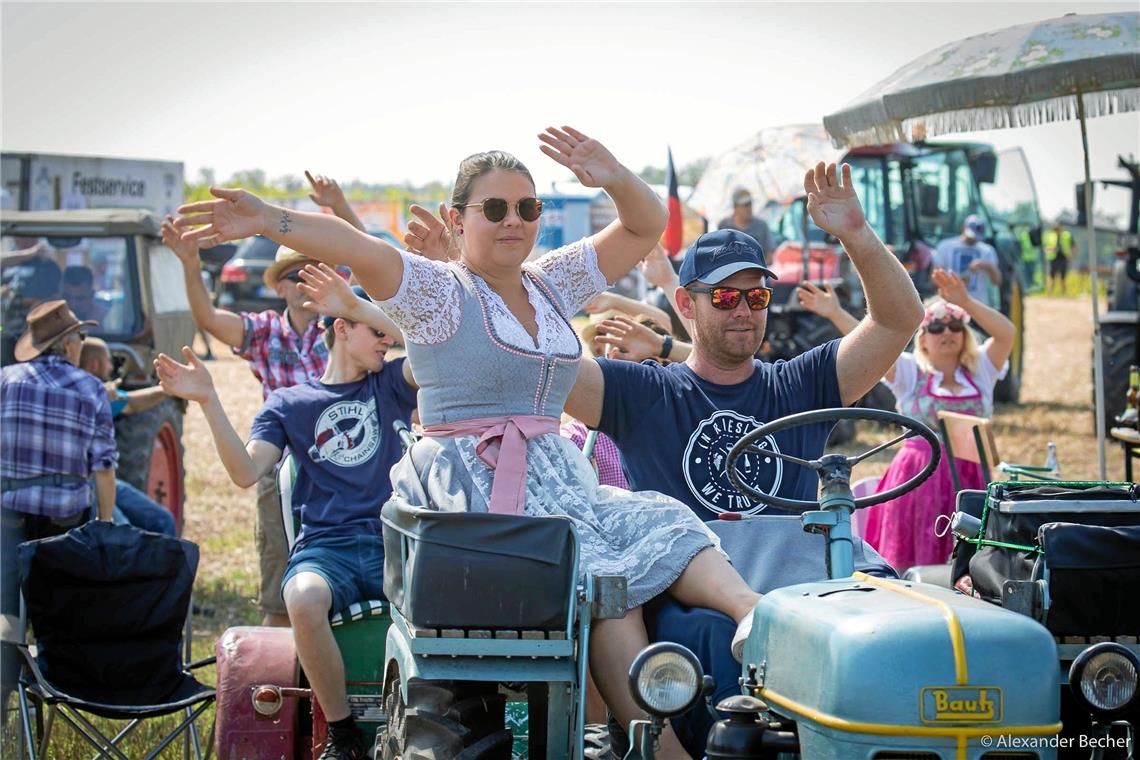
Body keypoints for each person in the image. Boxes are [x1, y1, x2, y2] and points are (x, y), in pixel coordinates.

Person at [175, 126, 762, 759]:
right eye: (496, 209)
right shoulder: (439, 291)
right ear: (458, 219)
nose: (515, 221)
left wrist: (612, 172)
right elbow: (354, 244)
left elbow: (645, 224)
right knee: (600, 571)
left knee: (657, 526)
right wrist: (268, 217)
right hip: (477, 485)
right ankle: (657, 745)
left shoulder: (549, 282)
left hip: (560, 476)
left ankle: (755, 619)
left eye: (528, 208)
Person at [561, 162, 924, 755]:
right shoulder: (643, 392)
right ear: (685, 302)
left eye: (756, 295)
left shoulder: (802, 382)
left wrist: (855, 233)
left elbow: (898, 320)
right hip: (698, 602)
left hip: (816, 590)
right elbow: (538, 361)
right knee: (706, 634)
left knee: (911, 625)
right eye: (725, 296)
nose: (744, 310)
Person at [155, 274, 415, 760]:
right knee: (301, 597)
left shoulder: (392, 385)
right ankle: (342, 733)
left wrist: (365, 310)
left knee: (441, 599)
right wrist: (210, 401)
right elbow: (245, 471)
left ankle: (427, 718)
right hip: (327, 547)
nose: (385, 340)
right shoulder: (289, 403)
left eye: (386, 333)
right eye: (374, 331)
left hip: (392, 544)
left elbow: (432, 351)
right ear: (341, 329)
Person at [164, 216, 328, 627]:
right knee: (277, 581)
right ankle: (281, 684)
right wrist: (189, 262)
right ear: (279, 287)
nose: (305, 283)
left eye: (314, 272)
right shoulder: (265, 331)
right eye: (295, 275)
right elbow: (208, 318)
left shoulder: (344, 328)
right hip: (279, 467)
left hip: (340, 468)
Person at [797, 267, 1013, 568]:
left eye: (954, 326)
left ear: (965, 334)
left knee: (969, 561)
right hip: (918, 479)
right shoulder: (911, 373)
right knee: (916, 559)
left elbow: (1007, 334)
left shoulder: (982, 371)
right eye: (936, 328)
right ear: (923, 339)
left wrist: (967, 303)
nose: (947, 332)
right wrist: (835, 313)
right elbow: (870, 346)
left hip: (971, 479)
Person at [1, 301, 117, 713]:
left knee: (5, 610)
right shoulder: (90, 389)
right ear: (68, 343)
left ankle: (7, 687)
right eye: (81, 338)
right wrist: (104, 524)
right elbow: (103, 467)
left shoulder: (5, 381)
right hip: (63, 520)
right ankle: (51, 690)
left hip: (7, 516)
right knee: (55, 606)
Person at [78, 337, 177, 536]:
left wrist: (167, 389)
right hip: (84, 484)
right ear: (94, 365)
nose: (111, 366)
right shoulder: (84, 395)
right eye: (108, 360)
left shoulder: (102, 394)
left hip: (104, 481)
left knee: (163, 521)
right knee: (126, 536)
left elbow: (131, 403)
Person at [932, 214, 1001, 308]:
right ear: (963, 228)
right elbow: (934, 277)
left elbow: (997, 281)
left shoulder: (987, 250)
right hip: (950, 307)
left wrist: (986, 266)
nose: (973, 240)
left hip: (978, 308)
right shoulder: (945, 246)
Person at [716, 188, 774, 256]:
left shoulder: (761, 225)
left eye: (750, 204)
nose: (749, 208)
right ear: (735, 207)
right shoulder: (724, 225)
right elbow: (718, 253)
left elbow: (770, 256)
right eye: (745, 205)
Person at [1042, 221, 1073, 294]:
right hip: (1053, 258)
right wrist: (1051, 249)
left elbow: (1073, 245)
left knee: (1063, 276)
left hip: (1063, 257)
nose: (1056, 230)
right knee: (1052, 275)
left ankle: (1064, 292)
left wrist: (1071, 255)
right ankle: (1050, 292)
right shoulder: (1050, 236)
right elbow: (1045, 248)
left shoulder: (1066, 235)